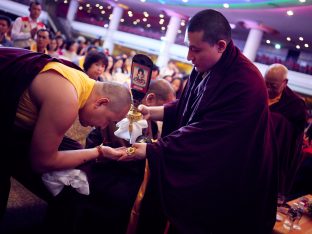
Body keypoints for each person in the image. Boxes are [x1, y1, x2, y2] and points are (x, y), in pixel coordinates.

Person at [116, 9, 278, 233]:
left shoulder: (245, 81)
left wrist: (152, 150)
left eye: (196, 49)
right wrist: (150, 112)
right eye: (188, 46)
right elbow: (187, 108)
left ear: (221, 45)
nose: (188, 56)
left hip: (231, 180)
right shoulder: (206, 65)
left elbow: (209, 135)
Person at [0, 47, 131, 221]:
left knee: (75, 155)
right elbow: (41, 162)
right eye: (109, 120)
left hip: (12, 120)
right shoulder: (68, 99)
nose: (103, 127)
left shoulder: (82, 81)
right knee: (71, 191)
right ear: (101, 103)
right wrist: (99, 152)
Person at [81, 79, 175, 234]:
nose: (166, 114)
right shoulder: (122, 113)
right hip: (110, 180)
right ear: (150, 99)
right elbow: (98, 141)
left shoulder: (149, 122)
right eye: (166, 106)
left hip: (131, 181)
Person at [264, 64, 307, 202]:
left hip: (275, 157)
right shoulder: (257, 92)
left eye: (273, 86)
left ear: (285, 83)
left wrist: (274, 120)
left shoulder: (296, 105)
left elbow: (295, 138)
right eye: (266, 84)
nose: (268, 89)